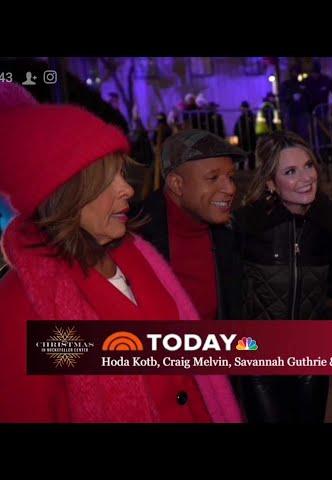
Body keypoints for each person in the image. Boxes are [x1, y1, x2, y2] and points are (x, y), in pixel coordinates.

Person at [0, 99, 242, 422]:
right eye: (107, 180)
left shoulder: (140, 256)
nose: (128, 189)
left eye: (123, 174)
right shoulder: (19, 307)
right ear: (63, 192)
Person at [233, 130, 332, 423]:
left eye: (308, 165)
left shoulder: (328, 220)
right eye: (290, 172)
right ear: (271, 182)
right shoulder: (249, 224)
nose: (306, 177)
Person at [135, 129, 246, 321]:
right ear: (177, 184)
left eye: (230, 177)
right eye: (213, 178)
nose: (230, 189)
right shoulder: (133, 237)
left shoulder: (234, 234)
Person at [234, 101, 257, 170]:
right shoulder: (242, 117)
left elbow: (252, 128)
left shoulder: (250, 117)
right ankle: (243, 168)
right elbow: (237, 128)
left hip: (250, 138)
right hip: (244, 139)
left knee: (250, 154)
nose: (242, 110)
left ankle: (251, 168)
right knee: (244, 154)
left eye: (243, 108)